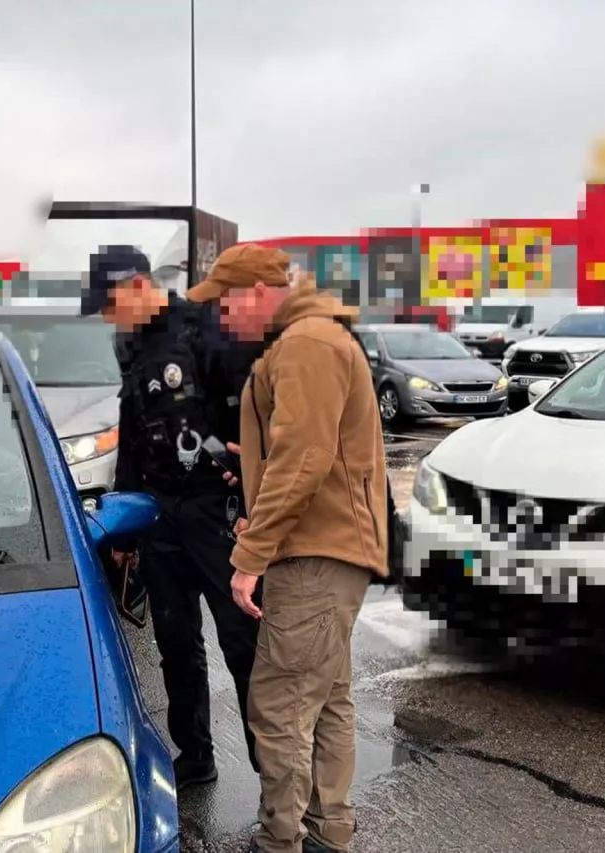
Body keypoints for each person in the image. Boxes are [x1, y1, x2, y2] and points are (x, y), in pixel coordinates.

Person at [192, 254, 390, 853]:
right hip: (327, 547)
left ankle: (279, 840)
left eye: (227, 303)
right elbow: (302, 451)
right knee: (326, 698)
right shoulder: (306, 339)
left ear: (258, 291)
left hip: (315, 553)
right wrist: (251, 465)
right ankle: (328, 831)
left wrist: (250, 555)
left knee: (279, 705)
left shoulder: (306, 344)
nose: (223, 318)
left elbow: (304, 458)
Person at [80, 244, 259, 786]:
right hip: (159, 515)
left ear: (137, 286)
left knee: (244, 648)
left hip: (216, 514)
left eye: (111, 303)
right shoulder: (130, 344)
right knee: (176, 645)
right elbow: (132, 434)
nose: (108, 317)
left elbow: (254, 422)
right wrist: (125, 526)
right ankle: (196, 755)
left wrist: (255, 505)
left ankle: (276, 779)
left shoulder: (205, 330)